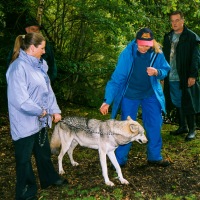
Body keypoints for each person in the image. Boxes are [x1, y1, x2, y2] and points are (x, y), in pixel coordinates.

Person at [6, 32, 67, 200]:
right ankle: (26, 192)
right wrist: (41, 111)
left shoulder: (40, 65)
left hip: (39, 121)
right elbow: (20, 100)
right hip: (24, 122)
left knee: (43, 151)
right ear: (32, 48)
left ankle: (49, 178)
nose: (44, 51)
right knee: (24, 159)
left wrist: (55, 110)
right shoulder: (17, 68)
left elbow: (48, 92)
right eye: (42, 48)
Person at [100, 28, 171, 167]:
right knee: (126, 128)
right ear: (136, 41)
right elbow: (117, 79)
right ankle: (120, 159)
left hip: (150, 94)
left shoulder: (158, 53)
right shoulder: (127, 54)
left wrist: (157, 72)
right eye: (141, 44)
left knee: (154, 125)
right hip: (130, 95)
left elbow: (165, 70)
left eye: (147, 44)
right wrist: (107, 101)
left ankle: (154, 157)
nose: (144, 47)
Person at [163, 10, 200, 141]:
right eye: (172, 21)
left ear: (183, 21)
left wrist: (192, 76)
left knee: (188, 102)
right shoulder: (168, 37)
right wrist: (163, 75)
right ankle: (182, 126)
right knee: (177, 101)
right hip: (171, 76)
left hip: (185, 76)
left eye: (177, 20)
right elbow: (164, 58)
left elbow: (195, 58)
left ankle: (192, 129)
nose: (174, 23)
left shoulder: (191, 37)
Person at [7, 17, 57, 82]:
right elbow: (10, 65)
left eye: (37, 29)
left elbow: (52, 66)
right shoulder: (20, 44)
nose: (35, 32)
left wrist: (46, 80)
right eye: (33, 29)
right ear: (27, 30)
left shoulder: (45, 46)